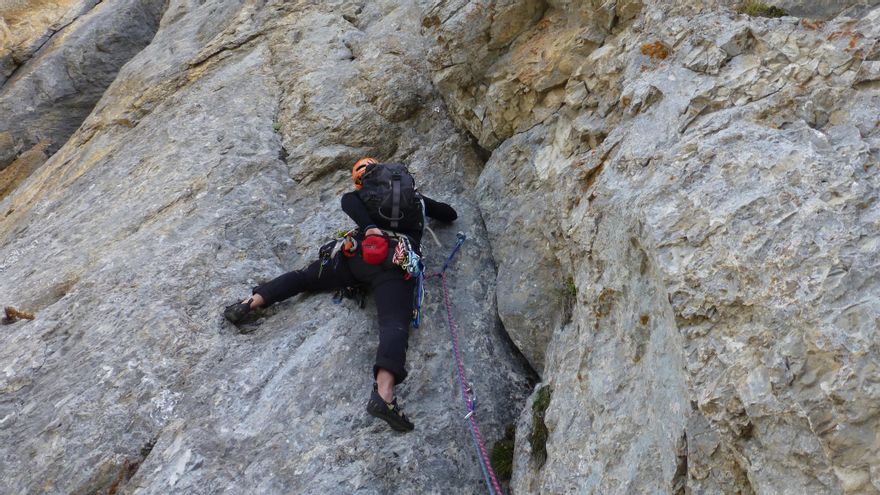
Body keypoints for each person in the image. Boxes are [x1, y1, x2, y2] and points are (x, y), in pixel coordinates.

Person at [224, 157, 457, 432]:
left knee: (305, 278)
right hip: (395, 261)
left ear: (361, 181)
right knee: (394, 322)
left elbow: (348, 200)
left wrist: (369, 228)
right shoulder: (414, 199)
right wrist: (421, 205)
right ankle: (384, 395)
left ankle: (250, 302)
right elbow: (449, 213)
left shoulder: (362, 195)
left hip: (358, 253)